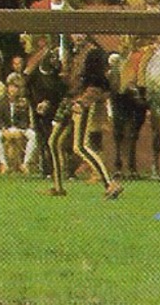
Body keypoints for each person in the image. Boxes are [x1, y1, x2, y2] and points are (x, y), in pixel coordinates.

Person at [46, 33, 122, 200]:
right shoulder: (74, 52)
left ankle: (110, 184)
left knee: (80, 146)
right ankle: (58, 187)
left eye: (80, 33)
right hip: (70, 99)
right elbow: (69, 81)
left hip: (82, 101)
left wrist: (83, 102)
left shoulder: (93, 53)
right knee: (54, 142)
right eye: (75, 34)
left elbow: (98, 84)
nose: (77, 37)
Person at [0, 71, 40, 175]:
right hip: (6, 128)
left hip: (20, 128)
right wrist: (3, 129)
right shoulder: (1, 101)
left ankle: (25, 163)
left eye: (16, 87)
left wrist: (20, 130)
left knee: (33, 135)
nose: (12, 89)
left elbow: (26, 120)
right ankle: (4, 164)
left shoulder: (24, 102)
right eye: (11, 86)